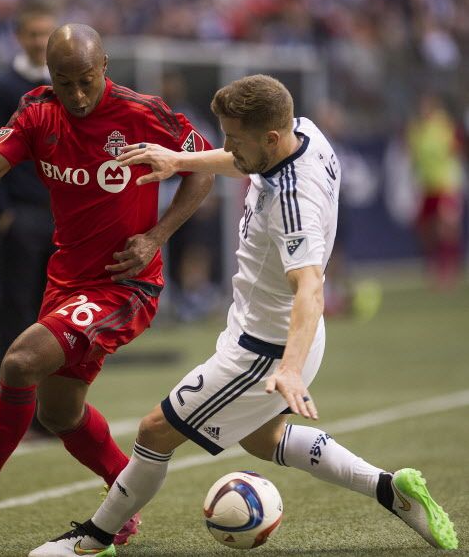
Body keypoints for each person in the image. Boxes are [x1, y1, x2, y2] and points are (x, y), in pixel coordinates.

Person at [29, 75, 458, 556]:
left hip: (266, 352)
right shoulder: (304, 132)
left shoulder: (293, 202)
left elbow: (311, 289)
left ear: (270, 138)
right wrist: (179, 159)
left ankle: (94, 540)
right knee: (257, 436)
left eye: (234, 137)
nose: (227, 146)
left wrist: (289, 369)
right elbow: (241, 162)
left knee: (154, 431)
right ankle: (390, 490)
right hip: (267, 334)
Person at [0, 24, 214, 546]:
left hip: (126, 286)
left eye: (85, 81)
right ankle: (123, 498)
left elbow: (203, 169)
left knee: (18, 361)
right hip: (67, 283)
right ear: (49, 77)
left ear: (104, 66)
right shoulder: (37, 108)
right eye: (64, 82)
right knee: (60, 412)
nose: (76, 95)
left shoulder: (143, 113)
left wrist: (157, 236)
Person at [0, 2, 56, 381]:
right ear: (20, 37)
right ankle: (11, 399)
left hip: (62, 217)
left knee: (55, 312)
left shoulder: (68, 84)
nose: (40, 41)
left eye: (46, 33)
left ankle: (49, 405)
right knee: (15, 308)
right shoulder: (1, 88)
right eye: (33, 33)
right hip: (22, 214)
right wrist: (1, 211)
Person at [406, 93, 464, 289]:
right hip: (426, 186)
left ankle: (449, 269)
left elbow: (456, 149)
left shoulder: (443, 126)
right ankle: (433, 265)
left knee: (445, 228)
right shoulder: (415, 130)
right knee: (426, 230)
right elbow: (413, 156)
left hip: (445, 184)